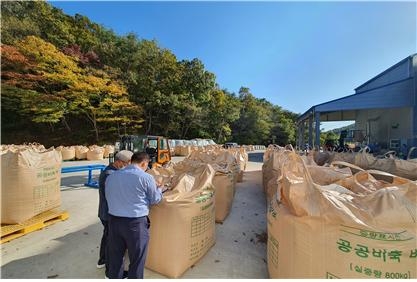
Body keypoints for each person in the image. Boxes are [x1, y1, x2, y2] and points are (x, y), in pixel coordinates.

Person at [105, 152, 163, 279]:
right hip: (135, 224)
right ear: (143, 163)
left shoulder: (112, 176)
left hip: (114, 222)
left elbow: (109, 195)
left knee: (116, 256)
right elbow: (154, 199)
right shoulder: (146, 177)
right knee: (137, 258)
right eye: (146, 165)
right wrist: (159, 189)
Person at [97, 150, 133, 275]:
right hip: (109, 213)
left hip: (107, 212)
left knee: (107, 237)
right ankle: (110, 272)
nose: (128, 166)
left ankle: (102, 260)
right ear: (118, 162)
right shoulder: (110, 174)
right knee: (112, 243)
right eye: (127, 163)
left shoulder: (114, 171)